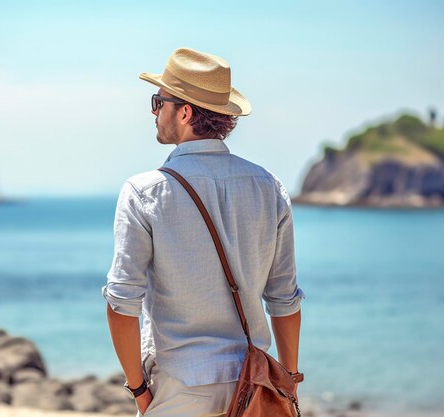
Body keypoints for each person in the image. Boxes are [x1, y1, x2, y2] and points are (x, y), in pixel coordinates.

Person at [103, 47, 305, 417]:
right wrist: (288, 382)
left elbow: (121, 305)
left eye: (158, 102)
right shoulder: (268, 186)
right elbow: (284, 299)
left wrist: (140, 392)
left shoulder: (144, 192)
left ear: (184, 112)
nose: (153, 112)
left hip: (181, 388)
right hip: (254, 387)